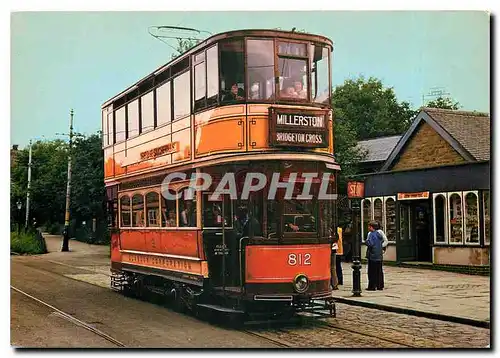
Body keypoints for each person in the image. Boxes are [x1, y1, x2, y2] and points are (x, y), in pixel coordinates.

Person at [365, 221, 383, 291]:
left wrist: (366, 242)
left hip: (372, 255)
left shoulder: (371, 234)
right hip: (379, 255)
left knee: (372, 272)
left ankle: (372, 286)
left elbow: (370, 244)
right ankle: (379, 285)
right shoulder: (378, 234)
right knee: (379, 271)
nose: (368, 228)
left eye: (369, 226)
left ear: (371, 227)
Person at [376, 221, 388, 289]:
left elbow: (386, 241)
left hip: (377, 253)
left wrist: (380, 246)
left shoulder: (379, 232)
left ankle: (379, 284)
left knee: (378, 268)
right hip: (375, 252)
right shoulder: (372, 233)